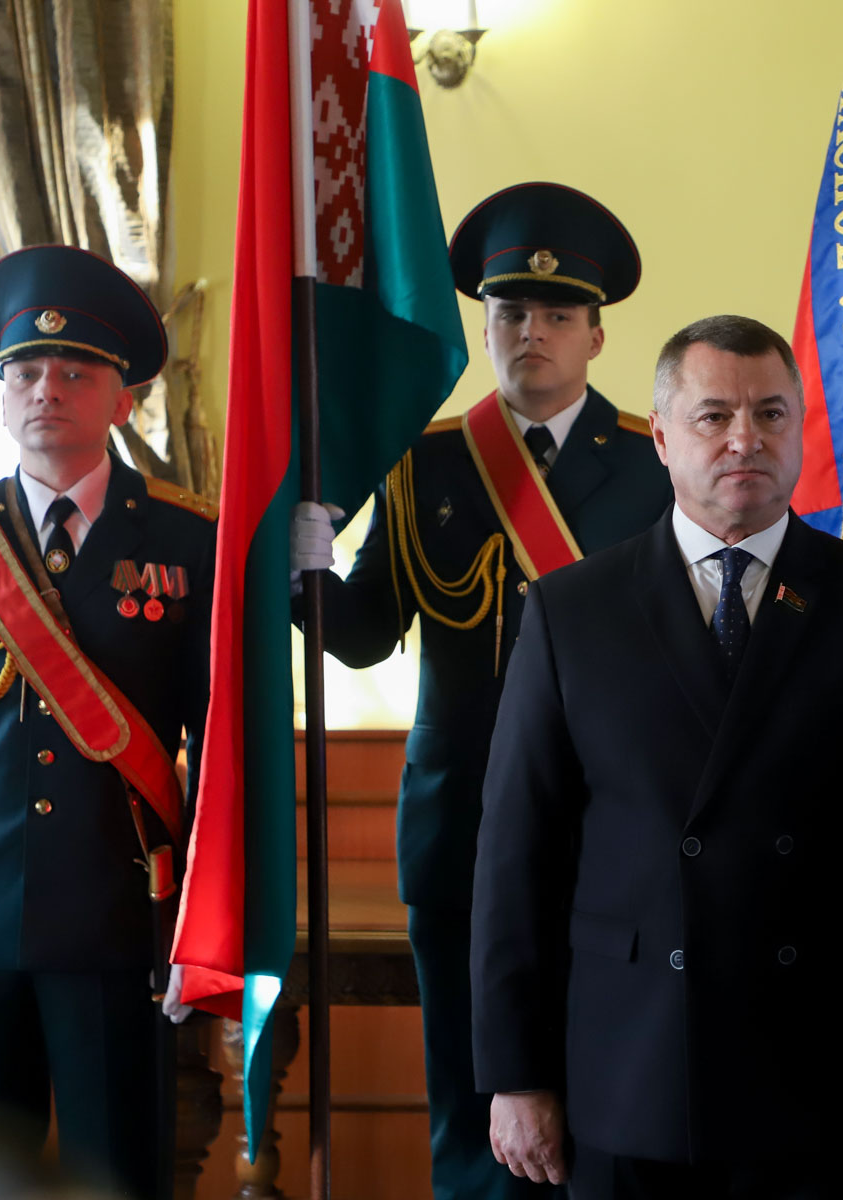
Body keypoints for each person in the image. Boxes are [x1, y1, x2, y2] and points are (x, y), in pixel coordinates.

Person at [470, 315, 843, 1198]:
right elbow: (518, 858)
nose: (745, 439)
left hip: (816, 1072)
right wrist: (515, 1074)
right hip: (627, 1072)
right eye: (714, 416)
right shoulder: (571, 612)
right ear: (662, 437)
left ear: (800, 431)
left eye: (771, 414)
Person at [288, 182, 671, 1200]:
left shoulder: (657, 466)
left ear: (595, 335)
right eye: (511, 312)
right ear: (486, 326)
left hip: (614, 834)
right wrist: (300, 566)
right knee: (471, 1122)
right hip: (460, 828)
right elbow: (367, 635)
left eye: (557, 314)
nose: (531, 332)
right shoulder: (424, 464)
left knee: (609, 1105)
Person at [0, 245, 213, 1200]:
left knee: (116, 1173)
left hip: (117, 908)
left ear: (124, 400)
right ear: (2, 399)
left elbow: (217, 736)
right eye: (26, 372)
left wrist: (210, 911)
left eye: (76, 372)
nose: (46, 390)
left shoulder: (189, 537)